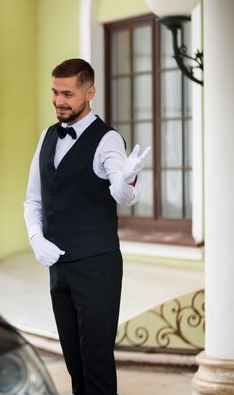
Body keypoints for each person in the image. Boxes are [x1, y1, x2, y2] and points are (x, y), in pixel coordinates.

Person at [24, 58, 150, 395]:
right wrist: (36, 238)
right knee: (74, 363)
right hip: (58, 267)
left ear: (89, 92)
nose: (58, 101)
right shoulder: (47, 136)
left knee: (96, 364)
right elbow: (33, 199)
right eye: (54, 92)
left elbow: (122, 196)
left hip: (96, 266)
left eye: (67, 93)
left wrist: (127, 177)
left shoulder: (107, 140)